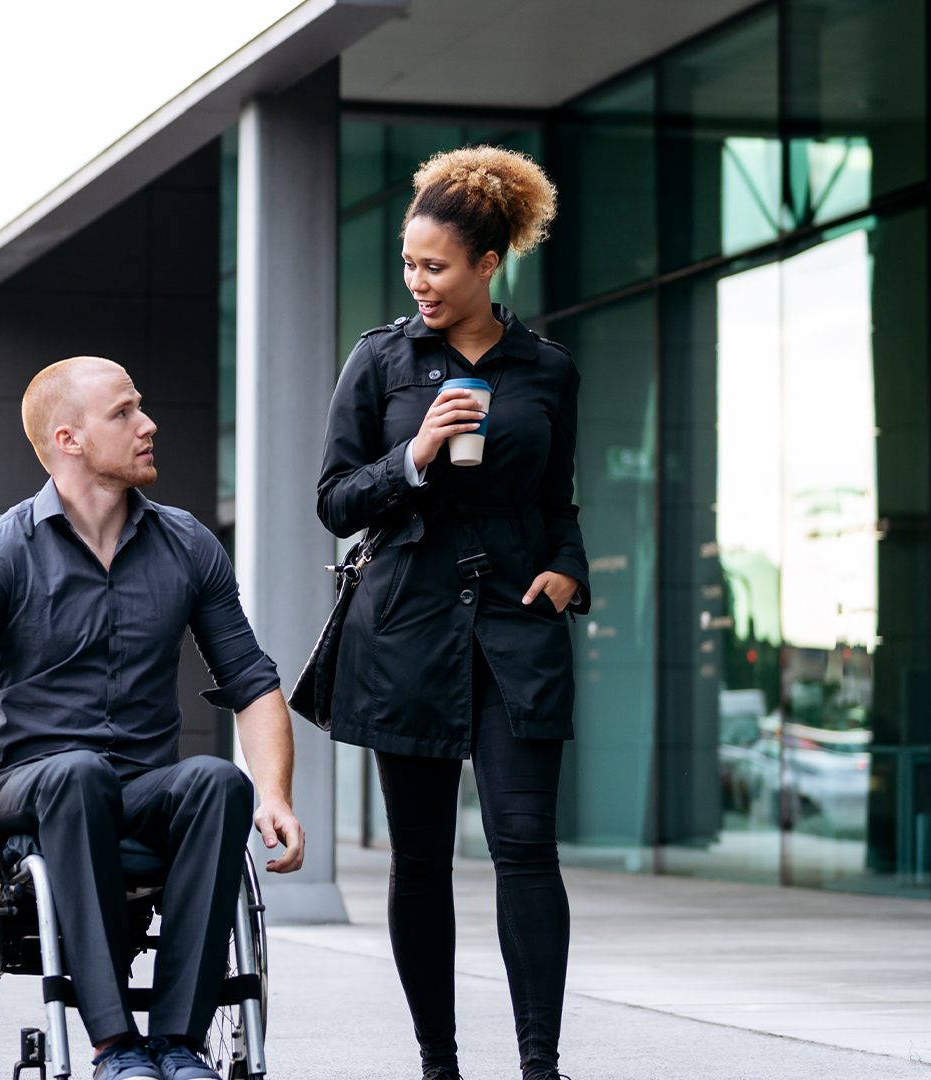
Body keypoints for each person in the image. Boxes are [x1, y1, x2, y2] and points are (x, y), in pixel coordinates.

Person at [0, 356, 305, 1080]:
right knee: (79, 774)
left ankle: (177, 1044)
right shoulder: (2, 551)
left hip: (140, 787)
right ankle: (115, 1045)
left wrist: (273, 792)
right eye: (123, 413)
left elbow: (253, 683)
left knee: (218, 782)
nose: (148, 424)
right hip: (28, 784)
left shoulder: (188, 545)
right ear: (70, 439)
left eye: (140, 407)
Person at [315, 146, 589, 1080]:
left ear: (486, 264)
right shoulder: (381, 359)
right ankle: (439, 1063)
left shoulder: (547, 368)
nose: (418, 282)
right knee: (420, 860)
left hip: (517, 630)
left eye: (435, 266)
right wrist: (414, 458)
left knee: (526, 848)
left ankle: (540, 1064)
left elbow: (561, 500)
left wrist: (567, 571)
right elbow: (336, 499)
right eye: (409, 264)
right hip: (407, 631)